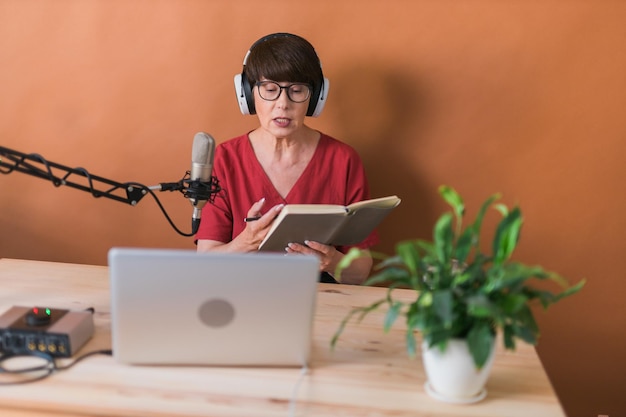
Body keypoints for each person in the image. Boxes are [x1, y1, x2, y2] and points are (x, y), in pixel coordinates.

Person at [195, 32, 377, 284]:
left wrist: (331, 261)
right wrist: (246, 242)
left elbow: (360, 272)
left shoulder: (343, 160)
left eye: (297, 90)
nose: (283, 104)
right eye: (270, 89)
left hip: (319, 306)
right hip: (241, 300)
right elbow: (205, 264)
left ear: (315, 98)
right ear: (247, 94)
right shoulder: (226, 158)